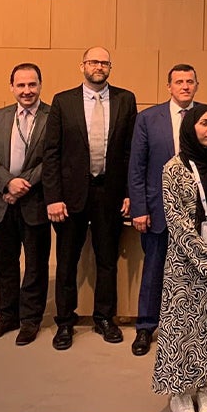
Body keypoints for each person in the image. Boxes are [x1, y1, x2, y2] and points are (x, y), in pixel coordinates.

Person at [42, 46, 138, 350]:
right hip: (70, 197)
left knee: (107, 260)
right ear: (82, 65)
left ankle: (104, 319)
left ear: (110, 67)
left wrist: (128, 193)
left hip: (109, 193)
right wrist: (53, 197)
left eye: (104, 62)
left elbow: (129, 152)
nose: (99, 66)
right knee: (67, 261)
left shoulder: (125, 99)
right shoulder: (63, 101)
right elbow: (52, 153)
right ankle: (65, 323)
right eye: (94, 61)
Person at [128, 64, 207, 356]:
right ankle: (146, 326)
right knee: (154, 268)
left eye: (190, 81)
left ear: (197, 85)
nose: (184, 86)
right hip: (158, 210)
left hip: (199, 211)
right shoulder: (147, 118)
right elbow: (137, 167)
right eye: (179, 82)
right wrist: (140, 209)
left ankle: (189, 325)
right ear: (168, 86)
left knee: (194, 271)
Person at [152, 104, 207, 412]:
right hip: (184, 262)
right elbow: (176, 219)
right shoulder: (172, 168)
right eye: (205, 123)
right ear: (191, 126)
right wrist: (204, 254)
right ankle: (179, 392)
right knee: (183, 325)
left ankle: (204, 385)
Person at [0, 63, 52, 347]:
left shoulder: (50, 117)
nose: (27, 90)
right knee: (5, 264)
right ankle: (6, 316)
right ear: (12, 87)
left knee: (35, 264)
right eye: (21, 85)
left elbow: (52, 159)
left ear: (40, 85)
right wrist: (8, 183)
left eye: (32, 84)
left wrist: (23, 185)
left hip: (35, 202)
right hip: (0, 203)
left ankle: (30, 319)